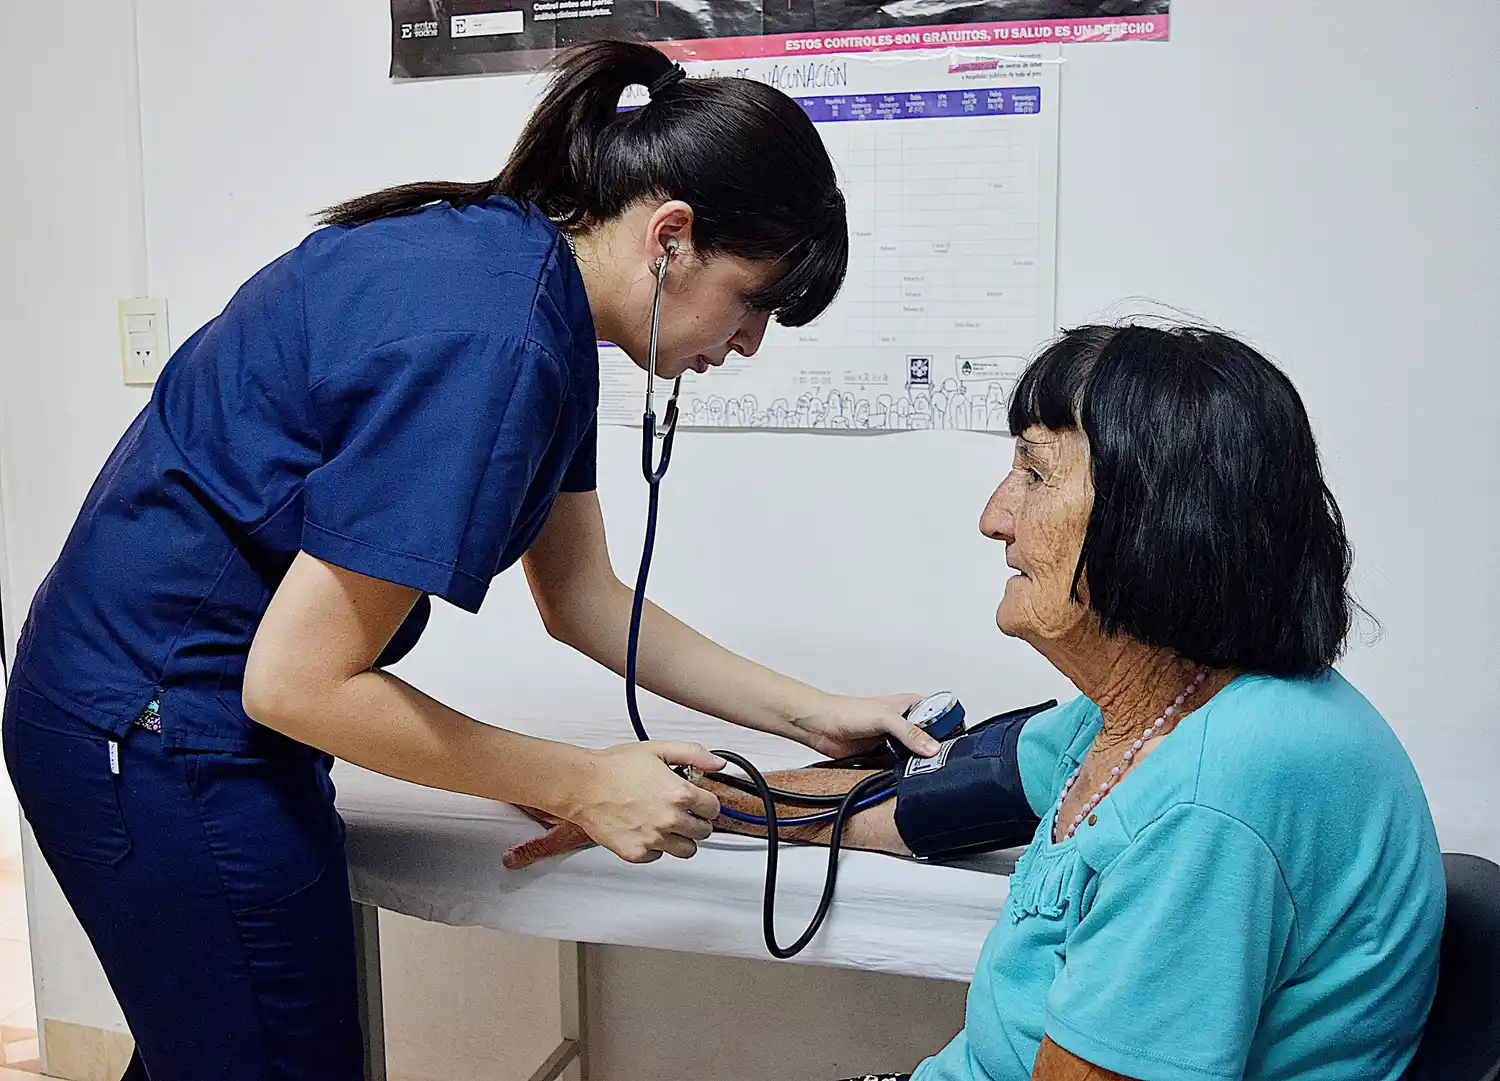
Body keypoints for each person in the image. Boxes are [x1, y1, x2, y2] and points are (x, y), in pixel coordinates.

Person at [1, 40, 940, 1081]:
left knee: (228, 1047)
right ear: (671, 237)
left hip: (166, 704)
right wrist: (580, 780)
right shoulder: (491, 341)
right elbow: (296, 680)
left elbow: (584, 599)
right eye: (754, 301)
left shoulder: (533, 294)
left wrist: (818, 715)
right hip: (151, 727)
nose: (753, 342)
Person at [510, 321, 1447, 1081]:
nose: (994, 514)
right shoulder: (1154, 706)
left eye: (1035, 474)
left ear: (1161, 513)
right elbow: (915, 806)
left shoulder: (1218, 793)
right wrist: (664, 791)